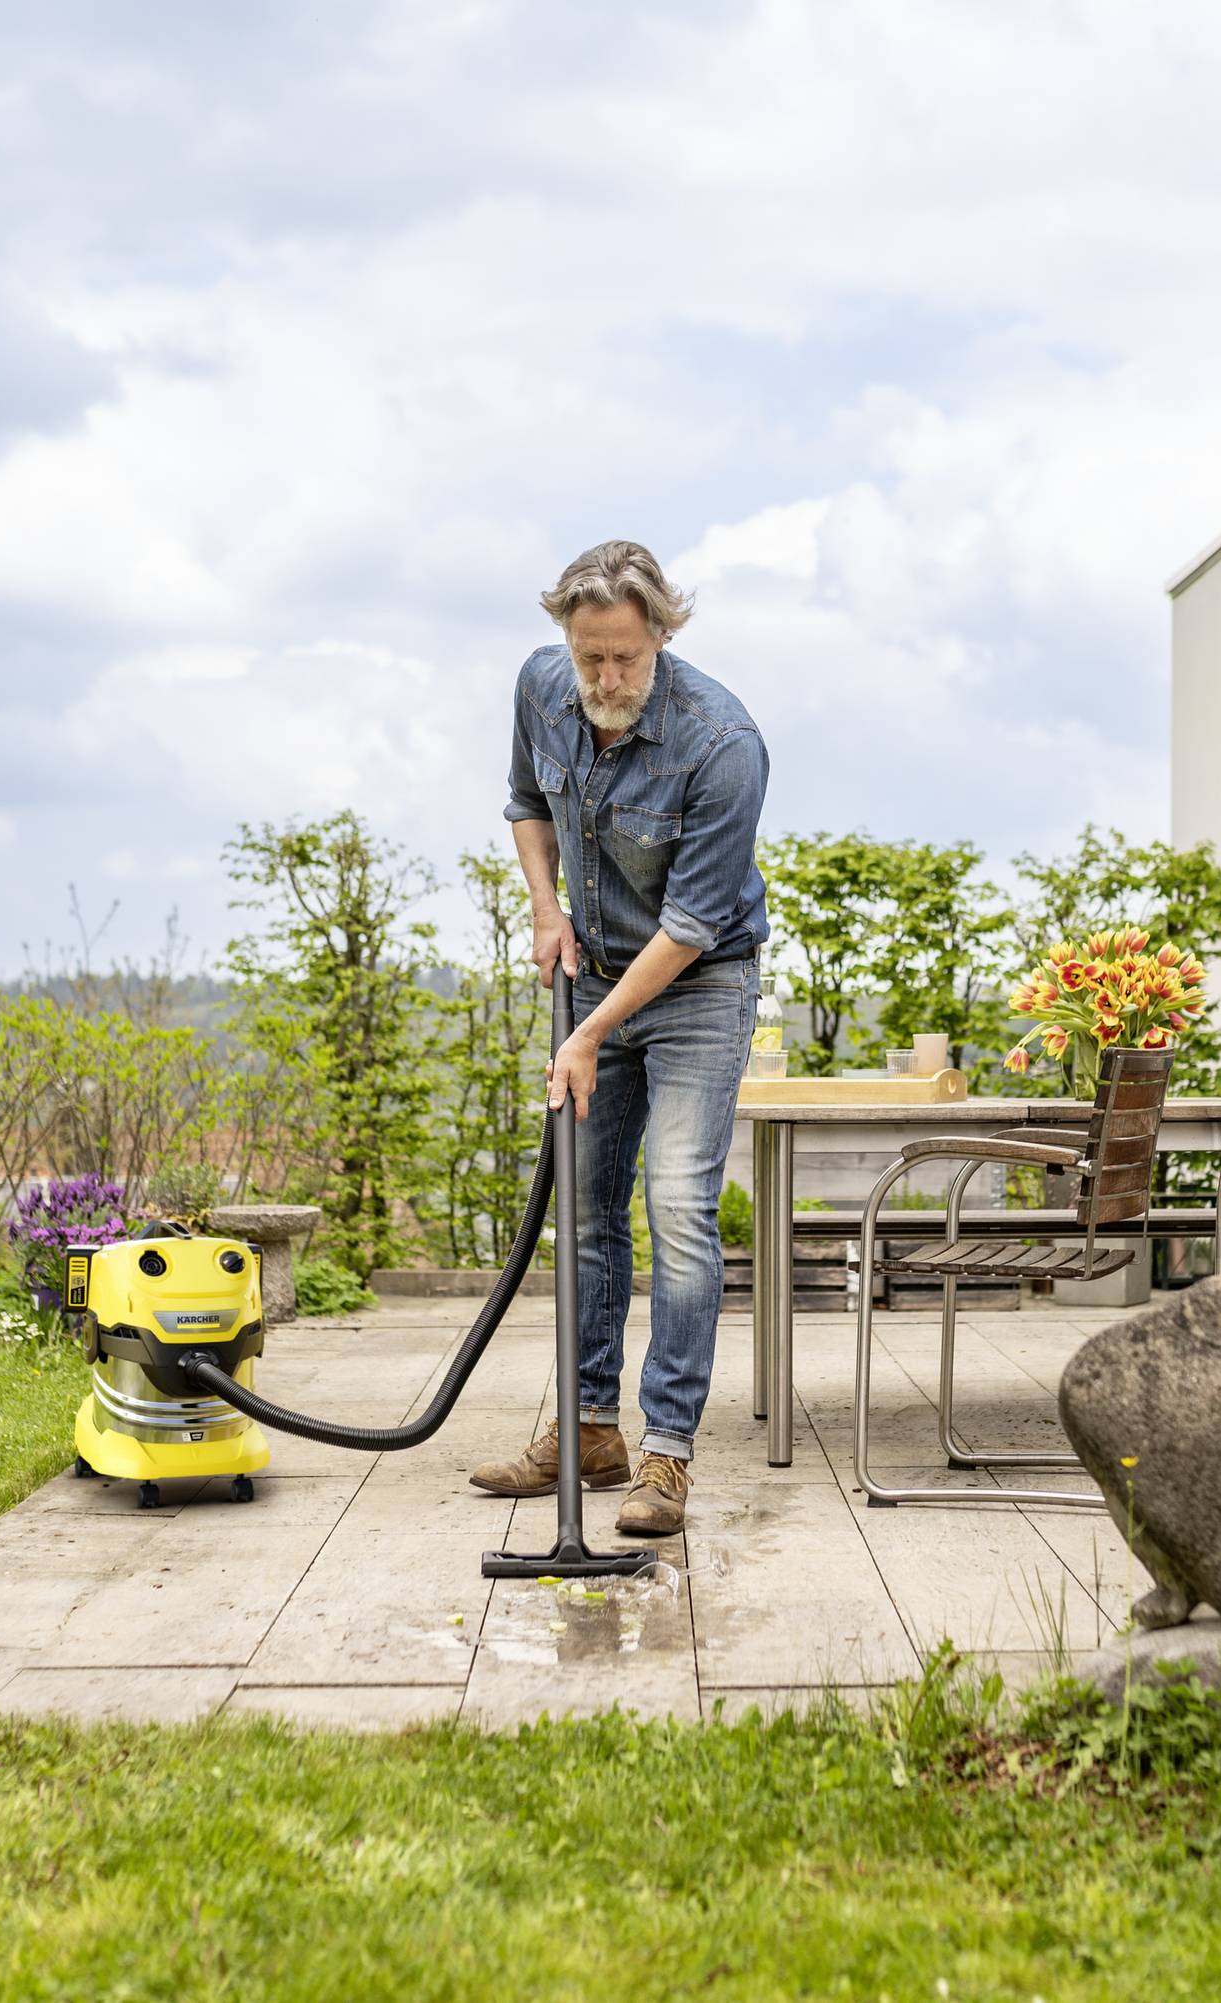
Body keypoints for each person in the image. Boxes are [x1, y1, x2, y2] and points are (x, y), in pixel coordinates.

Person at [469, 541, 769, 1537]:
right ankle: (588, 1429)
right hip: (592, 968)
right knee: (589, 1209)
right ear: (567, 635)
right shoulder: (542, 686)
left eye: (625, 661)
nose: (603, 679)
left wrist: (593, 1028)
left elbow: (691, 926)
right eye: (589, 655)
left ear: (662, 639)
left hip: (697, 985)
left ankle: (667, 1454)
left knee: (678, 1205)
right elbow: (525, 802)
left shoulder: (720, 742)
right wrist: (545, 907)